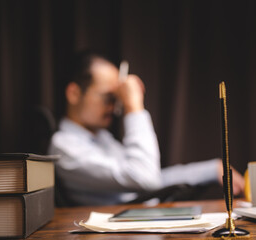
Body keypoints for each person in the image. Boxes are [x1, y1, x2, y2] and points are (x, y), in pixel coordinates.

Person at [48, 52, 245, 206]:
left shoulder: (102, 138)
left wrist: (212, 169)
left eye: (116, 99)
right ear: (74, 93)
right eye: (108, 97)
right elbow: (146, 178)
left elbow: (152, 177)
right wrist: (133, 106)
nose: (114, 108)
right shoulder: (64, 147)